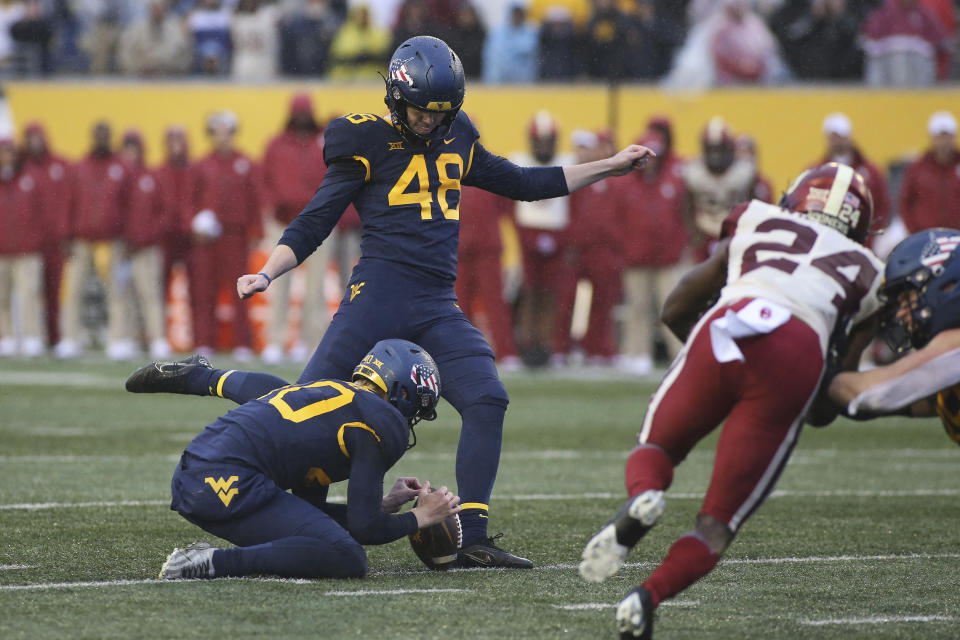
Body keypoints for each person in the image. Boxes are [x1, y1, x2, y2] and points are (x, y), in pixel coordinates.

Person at [128, 35, 654, 569]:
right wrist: (268, 270)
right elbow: (317, 218)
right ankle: (285, 508)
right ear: (395, 96)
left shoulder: (460, 137)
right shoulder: (363, 140)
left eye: (439, 113)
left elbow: (523, 182)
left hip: (435, 301)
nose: (429, 122)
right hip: (376, 295)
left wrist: (608, 166)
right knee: (303, 402)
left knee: (488, 399)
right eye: (421, 111)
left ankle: (472, 535)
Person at [578, 163, 883, 639]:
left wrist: (707, 367)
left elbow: (676, 306)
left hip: (730, 324)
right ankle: (648, 596)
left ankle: (644, 497)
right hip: (799, 352)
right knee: (717, 524)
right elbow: (828, 402)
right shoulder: (869, 274)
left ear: (797, 198)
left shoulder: (757, 217)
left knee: (658, 446)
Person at [159, 339, 462, 580]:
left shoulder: (327, 391)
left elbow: (312, 511)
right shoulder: (380, 422)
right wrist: (420, 518)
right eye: (418, 407)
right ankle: (211, 563)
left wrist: (377, 505)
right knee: (347, 556)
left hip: (196, 475)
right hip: (226, 482)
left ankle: (201, 375)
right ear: (404, 393)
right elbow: (364, 530)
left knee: (328, 541)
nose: (411, 419)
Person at [825, 228, 960, 440]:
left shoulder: (954, 344)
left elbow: (868, 394)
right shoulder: (948, 383)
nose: (901, 313)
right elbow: (862, 406)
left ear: (948, 285)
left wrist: (815, 372)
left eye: (908, 298)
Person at [56, 120, 132, 360]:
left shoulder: (121, 167)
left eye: (105, 134)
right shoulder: (80, 168)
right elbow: (68, 201)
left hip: (111, 240)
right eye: (97, 134)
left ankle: (118, 339)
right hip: (82, 239)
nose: (101, 139)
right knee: (73, 289)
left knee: (116, 291)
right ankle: (69, 338)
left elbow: (130, 205)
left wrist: (129, 236)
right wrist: (65, 233)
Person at [189, 110, 262, 360]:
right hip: (207, 239)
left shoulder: (245, 163)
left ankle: (242, 343)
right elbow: (190, 200)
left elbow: (255, 199)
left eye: (227, 132)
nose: (222, 138)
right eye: (217, 132)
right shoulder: (202, 165)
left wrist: (256, 231)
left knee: (241, 290)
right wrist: (195, 223)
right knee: (204, 290)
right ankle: (203, 342)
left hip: (236, 236)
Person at [682, 116, 754, 262]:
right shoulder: (693, 172)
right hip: (705, 231)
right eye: (712, 149)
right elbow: (686, 206)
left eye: (720, 149)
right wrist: (694, 233)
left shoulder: (744, 172)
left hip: (735, 233)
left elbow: (753, 204)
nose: (716, 155)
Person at [898, 111, 960, 234]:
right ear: (932, 138)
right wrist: (914, 231)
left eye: (947, 136)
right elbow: (905, 202)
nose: (944, 141)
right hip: (926, 237)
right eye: (940, 137)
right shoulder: (917, 168)